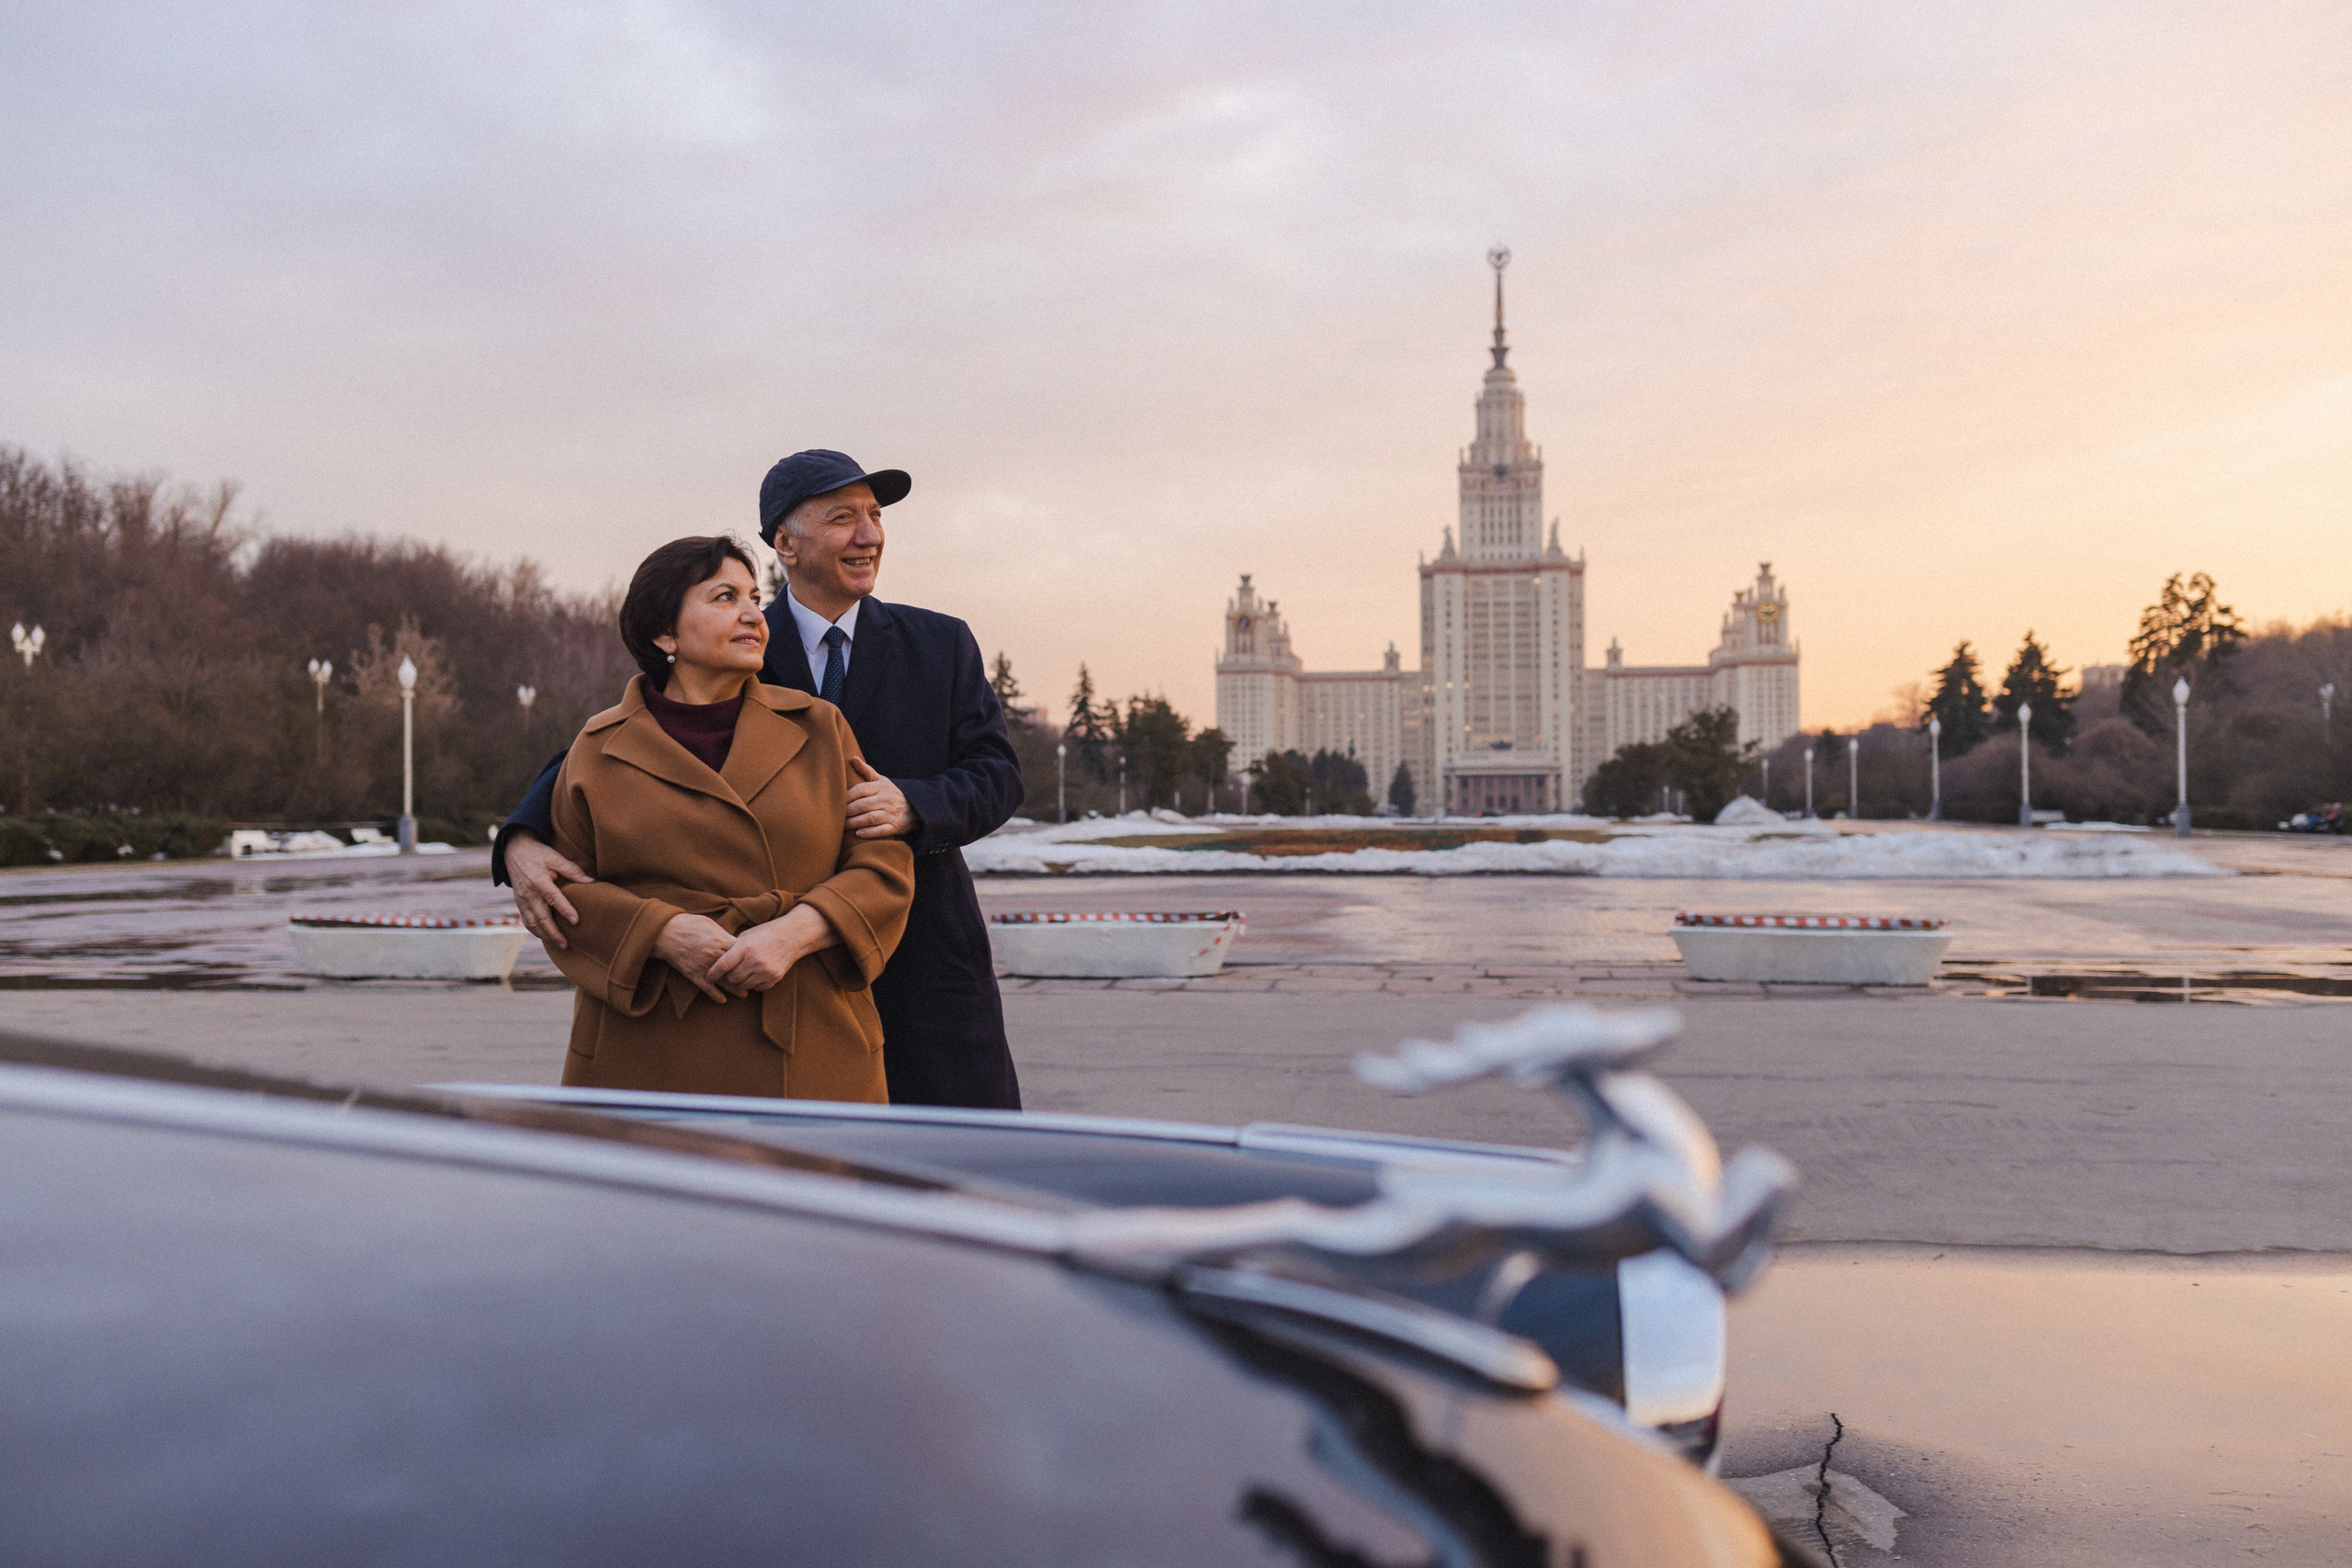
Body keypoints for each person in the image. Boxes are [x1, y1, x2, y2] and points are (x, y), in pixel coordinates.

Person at [495, 450, 1025, 1109]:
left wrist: (912, 803)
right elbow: (620, 743)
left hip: (922, 954)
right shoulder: (735, 640)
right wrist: (520, 837)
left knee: (953, 1175)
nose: (869, 535)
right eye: (843, 518)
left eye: (874, 516)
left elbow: (998, 772)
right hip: (777, 986)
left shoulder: (941, 643)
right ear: (785, 543)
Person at [539, 535, 913, 1100]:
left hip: (807, 1037)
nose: (752, 614)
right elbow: (560, 896)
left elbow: (884, 864)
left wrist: (793, 934)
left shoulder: (820, 727)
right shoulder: (597, 746)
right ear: (664, 632)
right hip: (647, 1052)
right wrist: (660, 933)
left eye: (754, 598)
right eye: (723, 597)